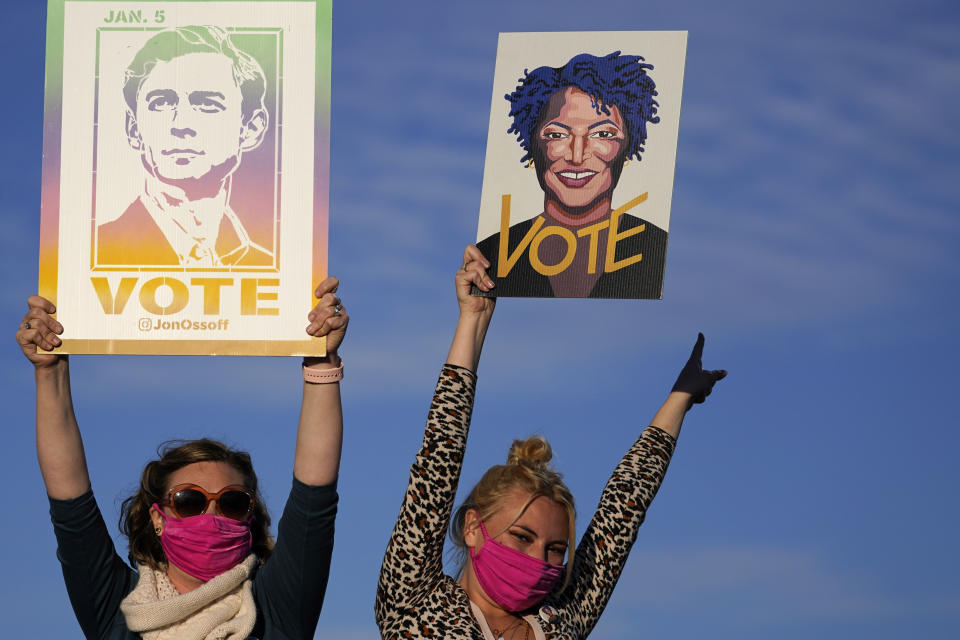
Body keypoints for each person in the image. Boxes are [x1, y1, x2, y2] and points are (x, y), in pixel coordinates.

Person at [376, 246, 726, 639]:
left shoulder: (561, 621)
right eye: (522, 537)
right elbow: (437, 464)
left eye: (556, 550)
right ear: (474, 527)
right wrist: (471, 321)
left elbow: (623, 512)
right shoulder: (416, 604)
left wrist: (679, 400)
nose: (539, 560)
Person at [16, 277, 348, 639]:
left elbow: (314, 497)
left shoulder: (275, 610)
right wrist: (49, 372)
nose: (212, 514)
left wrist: (322, 362)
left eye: (233, 503)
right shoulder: (118, 611)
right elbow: (70, 502)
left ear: (250, 515)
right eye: (188, 501)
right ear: (157, 518)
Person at [476, 52, 666, 298]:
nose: (577, 156)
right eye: (557, 135)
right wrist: (473, 314)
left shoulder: (655, 249)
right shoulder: (492, 258)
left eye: (603, 135)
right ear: (533, 144)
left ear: (629, 145)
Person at [97, 25, 273, 267]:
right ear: (133, 128)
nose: (181, 124)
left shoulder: (276, 271)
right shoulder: (89, 260)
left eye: (207, 104)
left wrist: (324, 307)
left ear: (251, 128)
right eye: (161, 103)